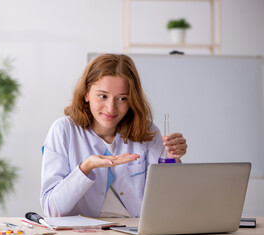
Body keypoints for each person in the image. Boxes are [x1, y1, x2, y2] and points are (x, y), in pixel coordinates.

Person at [40, 54, 187, 218]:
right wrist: (86, 168)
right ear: (86, 93)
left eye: (122, 99)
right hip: (83, 233)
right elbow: (51, 209)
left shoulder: (146, 131)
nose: (111, 108)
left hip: (134, 230)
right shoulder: (63, 131)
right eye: (103, 96)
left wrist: (173, 160)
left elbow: (166, 201)